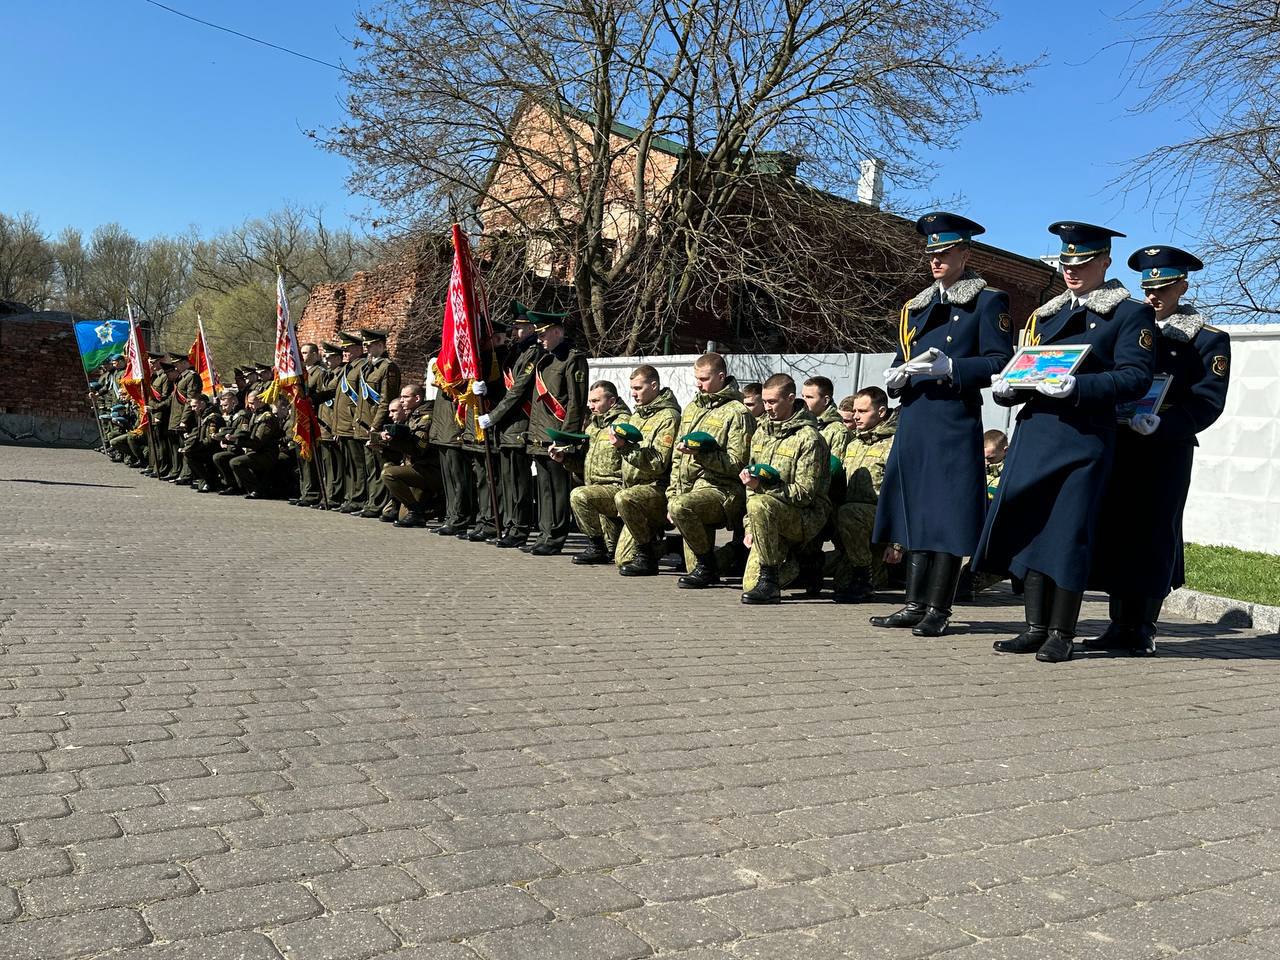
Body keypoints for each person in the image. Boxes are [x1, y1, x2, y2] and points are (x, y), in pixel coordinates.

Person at [977, 221, 1157, 663]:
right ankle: (1034, 627)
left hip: (1083, 438)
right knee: (1032, 529)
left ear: (1105, 262)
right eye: (1065, 263)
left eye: (1082, 262)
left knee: (1067, 534)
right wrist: (1007, 387)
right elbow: (1029, 368)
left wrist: (1079, 387)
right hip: (1036, 433)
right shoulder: (1046, 314)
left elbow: (1136, 376)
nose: (1071, 270)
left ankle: (1062, 631)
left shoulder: (1129, 314)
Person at [872, 212, 1014, 637]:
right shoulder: (916, 306)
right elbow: (903, 358)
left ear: (965, 254)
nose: (936, 260)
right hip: (916, 416)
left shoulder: (987, 301)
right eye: (931, 253)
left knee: (947, 515)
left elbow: (999, 361)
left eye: (946, 252)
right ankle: (913, 603)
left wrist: (954, 368)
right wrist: (896, 377)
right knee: (915, 510)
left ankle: (938, 607)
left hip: (953, 417)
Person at [1088, 245, 1231, 656]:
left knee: (1153, 533)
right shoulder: (1130, 326)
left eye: (1164, 288)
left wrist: (1164, 425)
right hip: (1122, 440)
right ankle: (1119, 623)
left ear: (1182, 286)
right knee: (1118, 530)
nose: (1154, 296)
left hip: (1165, 447)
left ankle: (1144, 626)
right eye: (1148, 288)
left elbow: (1208, 401)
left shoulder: (1207, 340)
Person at [738, 373, 830, 604]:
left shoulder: (808, 438)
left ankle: (771, 583)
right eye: (764, 401)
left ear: (790, 399)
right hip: (766, 514)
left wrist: (763, 489)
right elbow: (751, 483)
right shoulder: (761, 433)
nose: (767, 407)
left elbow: (805, 494)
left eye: (772, 402)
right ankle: (801, 565)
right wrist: (751, 526)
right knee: (749, 584)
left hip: (804, 516)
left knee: (760, 503)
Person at [666, 352, 754, 588]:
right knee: (690, 566)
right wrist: (672, 494)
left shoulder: (737, 412)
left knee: (683, 507)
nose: (698, 384)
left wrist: (702, 454)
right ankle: (726, 558)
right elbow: (677, 458)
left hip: (722, 490)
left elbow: (738, 463)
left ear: (721, 377)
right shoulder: (692, 408)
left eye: (704, 379)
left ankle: (711, 564)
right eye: (697, 378)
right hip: (690, 489)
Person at [524, 311, 590, 556]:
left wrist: (564, 439)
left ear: (558, 332)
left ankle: (555, 537)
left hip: (555, 435)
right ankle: (544, 534)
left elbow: (576, 403)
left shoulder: (573, 359)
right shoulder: (545, 360)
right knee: (544, 489)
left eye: (543, 334)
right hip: (539, 434)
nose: (539, 339)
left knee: (558, 489)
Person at [479, 304, 541, 548]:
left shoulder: (533, 353)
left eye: (519, 327)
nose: (514, 332)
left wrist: (493, 416)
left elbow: (517, 391)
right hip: (505, 426)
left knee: (518, 482)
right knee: (507, 481)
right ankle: (510, 524)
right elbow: (503, 387)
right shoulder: (515, 352)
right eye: (514, 328)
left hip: (519, 422)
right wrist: (486, 389)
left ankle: (520, 528)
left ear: (532, 328)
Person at [613, 365, 682, 577]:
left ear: (654, 386)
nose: (633, 394)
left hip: (656, 489)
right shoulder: (637, 415)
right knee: (622, 559)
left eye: (638, 388)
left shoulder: (668, 417)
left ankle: (647, 557)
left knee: (624, 498)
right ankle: (669, 545)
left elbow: (658, 462)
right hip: (634, 490)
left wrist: (625, 448)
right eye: (632, 389)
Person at [832, 387, 897, 603]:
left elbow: (905, 496)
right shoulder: (854, 444)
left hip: (882, 520)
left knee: (849, 512)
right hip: (854, 524)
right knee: (840, 584)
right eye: (855, 411)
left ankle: (864, 580)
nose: (856, 416)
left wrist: (897, 544)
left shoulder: (896, 445)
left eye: (863, 411)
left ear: (881, 412)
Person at [562, 381, 629, 564]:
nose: (591, 406)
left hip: (616, 489)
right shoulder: (593, 426)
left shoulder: (624, 423)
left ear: (612, 401)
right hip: (595, 491)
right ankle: (600, 546)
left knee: (579, 495)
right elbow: (583, 465)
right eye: (590, 401)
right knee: (613, 551)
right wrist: (564, 459)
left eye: (596, 401)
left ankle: (596, 547)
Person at [381, 383, 440, 527]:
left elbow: (418, 449)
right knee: (401, 516)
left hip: (428, 470)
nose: (401, 401)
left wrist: (393, 441)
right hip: (417, 467)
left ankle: (421, 510)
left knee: (388, 474)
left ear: (417, 398)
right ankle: (417, 509)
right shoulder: (413, 416)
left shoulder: (425, 418)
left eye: (405, 397)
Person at [356, 329, 401, 518]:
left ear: (381, 346)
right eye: (365, 345)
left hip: (376, 424)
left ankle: (379, 505)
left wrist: (376, 425)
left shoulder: (388, 367)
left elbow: (386, 400)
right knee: (369, 466)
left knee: (378, 465)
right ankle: (371, 502)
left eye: (370, 345)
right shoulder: (368, 367)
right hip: (364, 423)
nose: (366, 348)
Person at [429, 356, 475, 537]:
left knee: (458, 478)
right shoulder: (445, 359)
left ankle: (460, 518)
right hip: (442, 429)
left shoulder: (464, 362)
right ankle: (451, 516)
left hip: (453, 428)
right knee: (448, 479)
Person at [334, 332, 368, 513]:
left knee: (358, 465)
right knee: (348, 465)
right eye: (344, 349)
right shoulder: (347, 368)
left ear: (359, 349)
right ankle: (350, 497)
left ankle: (358, 498)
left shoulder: (362, 367)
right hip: (342, 423)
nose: (345, 352)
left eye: (348, 349)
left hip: (353, 422)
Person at [291, 342, 327, 507]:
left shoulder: (319, 373)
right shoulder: (300, 374)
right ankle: (304, 492)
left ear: (314, 354)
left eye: (305, 353)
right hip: (299, 422)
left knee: (310, 460)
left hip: (312, 421)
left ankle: (312, 494)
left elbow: (323, 396)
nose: (302, 356)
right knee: (302, 460)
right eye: (302, 353)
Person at [229, 389, 284, 499]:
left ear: (261, 401)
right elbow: (248, 433)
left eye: (252, 403)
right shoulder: (256, 415)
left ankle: (256, 490)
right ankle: (238, 486)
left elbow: (258, 442)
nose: (249, 406)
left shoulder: (266, 417)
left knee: (236, 462)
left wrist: (237, 441)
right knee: (226, 457)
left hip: (266, 454)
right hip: (256, 451)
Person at [312, 342, 346, 509]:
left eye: (330, 357)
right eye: (325, 357)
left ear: (339, 358)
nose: (326, 360)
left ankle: (334, 496)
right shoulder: (328, 374)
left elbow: (333, 398)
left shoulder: (340, 374)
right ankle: (327, 495)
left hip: (332, 424)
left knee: (335, 465)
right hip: (323, 423)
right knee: (327, 464)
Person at [802, 376, 847, 459]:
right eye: (803, 396)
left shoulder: (838, 432)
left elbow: (834, 465)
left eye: (809, 397)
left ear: (825, 401)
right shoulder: (802, 424)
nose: (804, 401)